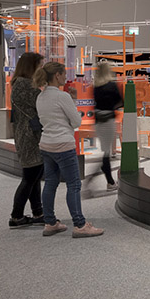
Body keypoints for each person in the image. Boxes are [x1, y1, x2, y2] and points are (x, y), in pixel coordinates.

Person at [37, 60, 103, 238]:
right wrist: (73, 100)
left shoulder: (40, 96)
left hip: (46, 144)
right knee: (73, 184)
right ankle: (80, 225)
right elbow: (76, 122)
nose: (66, 77)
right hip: (63, 145)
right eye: (64, 75)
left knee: (50, 183)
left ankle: (50, 222)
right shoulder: (61, 96)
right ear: (57, 75)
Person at [8, 52, 45, 228]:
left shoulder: (19, 83)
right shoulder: (25, 85)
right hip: (30, 135)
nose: (42, 69)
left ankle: (38, 212)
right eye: (40, 65)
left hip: (26, 134)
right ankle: (16, 216)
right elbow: (42, 103)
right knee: (30, 177)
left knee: (34, 175)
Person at [90, 62, 121, 189]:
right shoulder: (112, 85)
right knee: (106, 152)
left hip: (98, 121)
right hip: (108, 120)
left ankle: (109, 179)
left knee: (105, 150)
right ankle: (109, 181)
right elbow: (120, 101)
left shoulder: (95, 87)